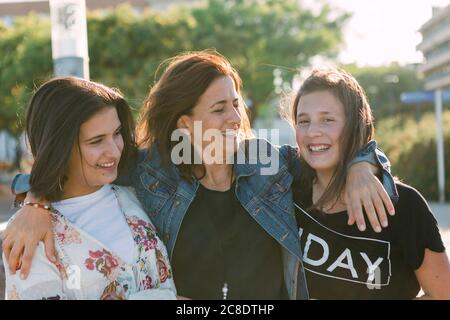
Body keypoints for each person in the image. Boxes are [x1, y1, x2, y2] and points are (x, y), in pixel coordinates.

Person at [3, 51, 396, 300]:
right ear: (186, 123)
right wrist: (35, 202)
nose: (235, 118)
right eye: (219, 108)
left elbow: (325, 150)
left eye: (236, 104)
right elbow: (75, 172)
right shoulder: (153, 173)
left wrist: (362, 163)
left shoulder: (271, 166)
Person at [2, 77, 176, 300]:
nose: (114, 151)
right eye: (96, 141)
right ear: (59, 148)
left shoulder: (139, 190)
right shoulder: (30, 238)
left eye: (117, 133)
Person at [289, 69, 450, 299]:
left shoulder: (403, 205)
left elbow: (443, 294)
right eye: (303, 121)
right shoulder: (286, 192)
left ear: (356, 125)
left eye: (327, 119)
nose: (313, 131)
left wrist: (362, 164)